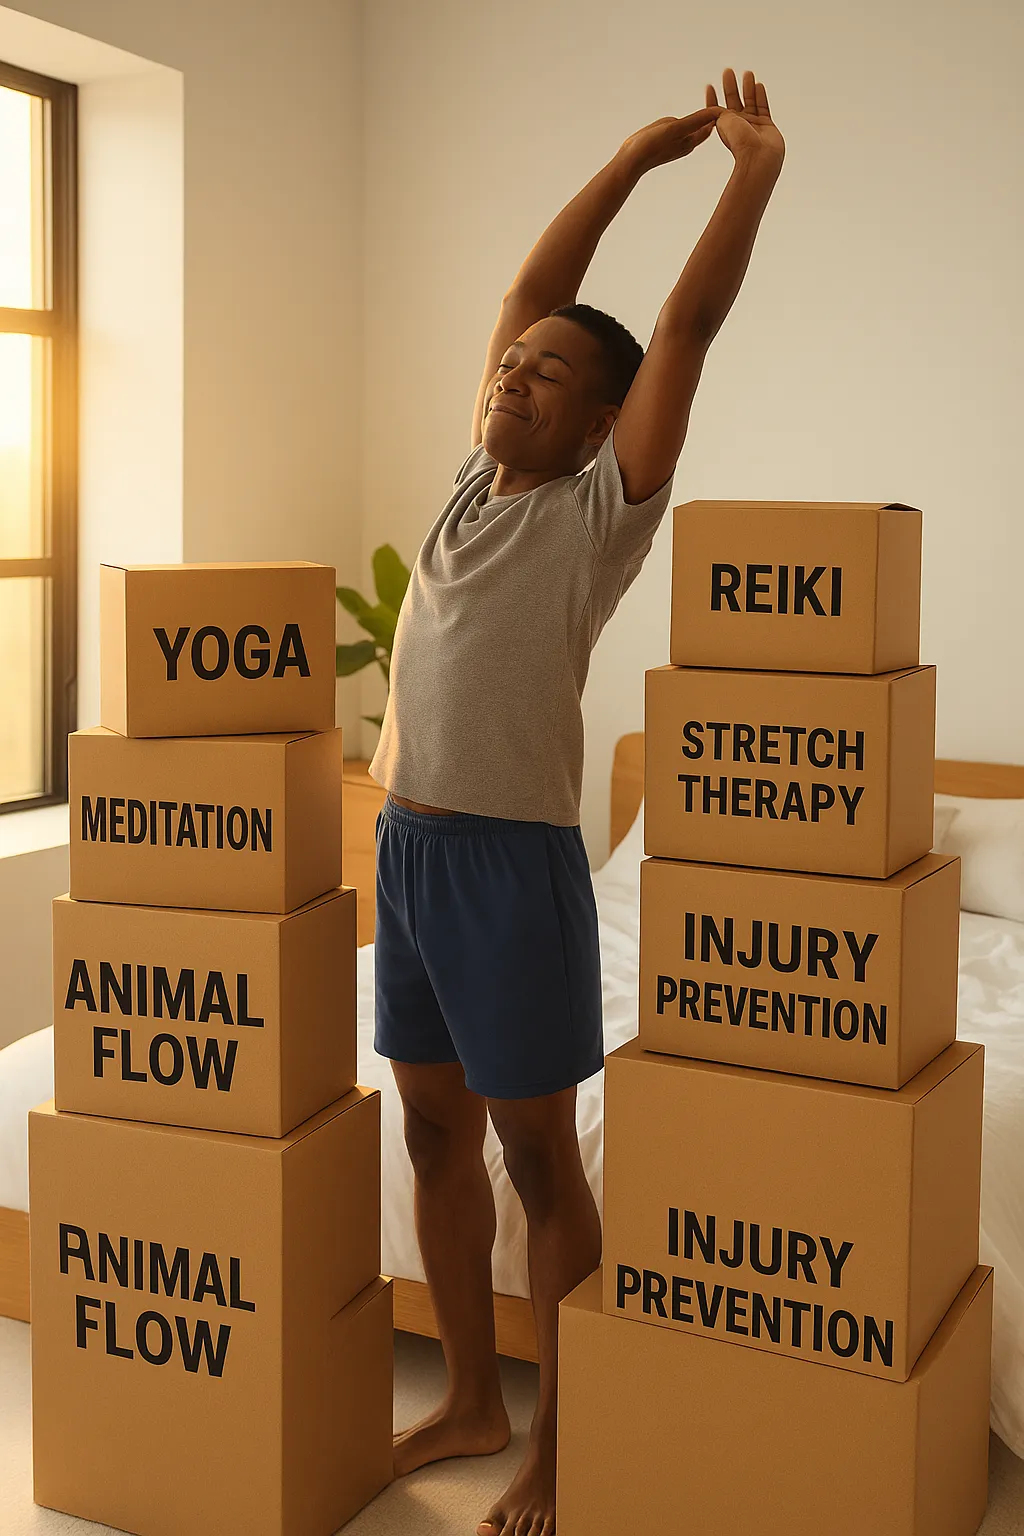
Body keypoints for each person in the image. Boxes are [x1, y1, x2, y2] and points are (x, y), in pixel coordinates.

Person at [367, 66, 786, 1536]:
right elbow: (533, 286)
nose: (510, 379)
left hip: (511, 867)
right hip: (407, 848)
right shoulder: (472, 483)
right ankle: (472, 1396)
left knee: (538, 1155)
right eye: (506, 367)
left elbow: (680, 327)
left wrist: (742, 173)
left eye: (546, 377)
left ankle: (560, 1441)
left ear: (609, 421)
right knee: (428, 1136)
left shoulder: (598, 504)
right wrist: (629, 155)